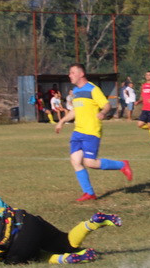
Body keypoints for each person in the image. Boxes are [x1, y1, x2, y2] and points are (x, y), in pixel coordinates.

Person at [53, 63, 133, 201]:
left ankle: (122, 165)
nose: (69, 75)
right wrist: (62, 121)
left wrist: (102, 113)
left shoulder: (93, 89)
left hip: (91, 131)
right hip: (78, 131)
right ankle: (89, 193)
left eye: (72, 72)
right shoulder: (76, 91)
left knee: (90, 163)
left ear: (81, 74)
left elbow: (106, 105)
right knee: (75, 161)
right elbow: (75, 111)